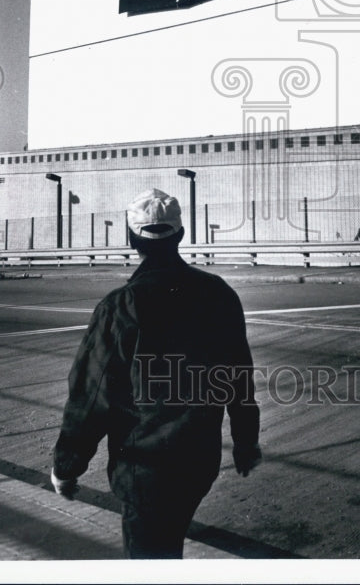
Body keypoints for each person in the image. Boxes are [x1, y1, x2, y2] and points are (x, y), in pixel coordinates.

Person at [50, 187, 261, 559]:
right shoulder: (218, 294)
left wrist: (67, 468)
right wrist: (245, 442)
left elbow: (90, 392)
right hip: (198, 462)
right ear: (180, 234)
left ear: (131, 239)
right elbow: (238, 377)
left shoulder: (121, 306)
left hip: (144, 469)